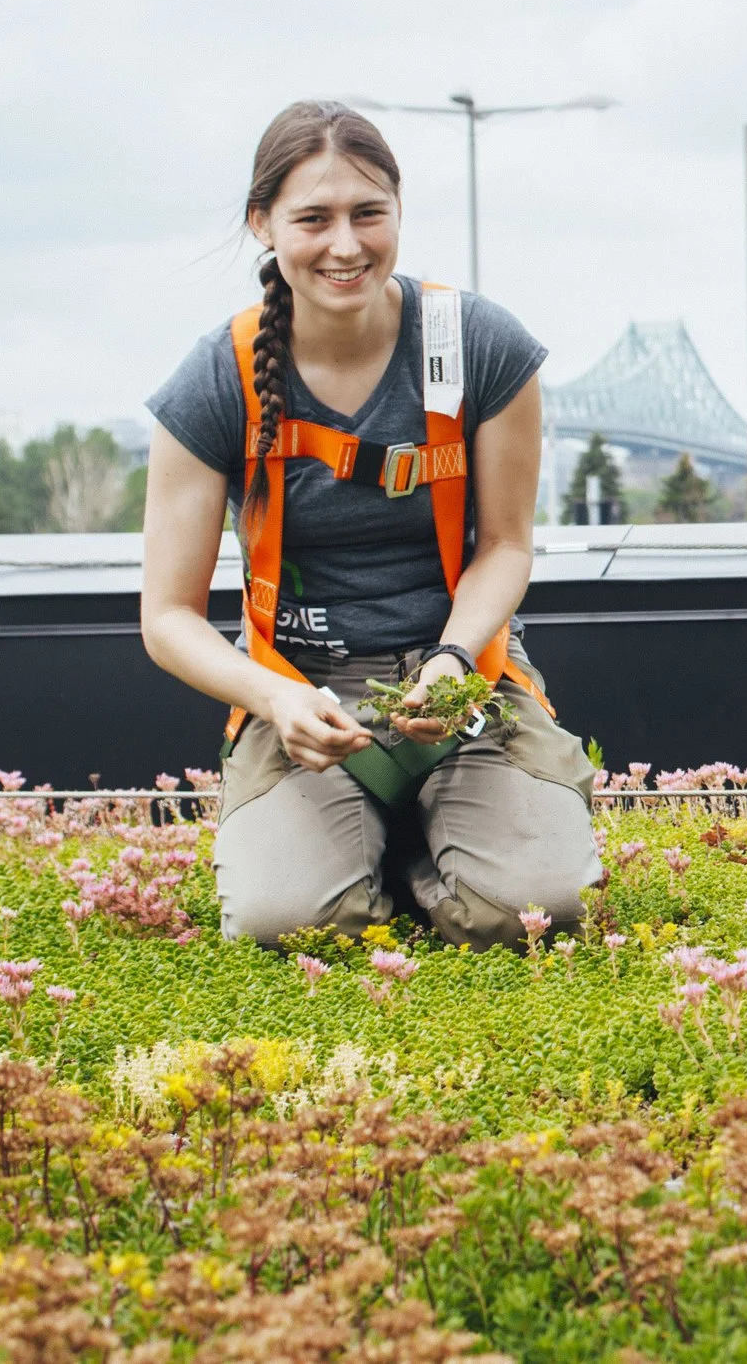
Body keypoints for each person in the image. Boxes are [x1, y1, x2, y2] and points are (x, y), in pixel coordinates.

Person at [139, 100, 600, 950]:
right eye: (312, 219)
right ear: (263, 225)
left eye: (368, 214)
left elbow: (504, 545)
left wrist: (454, 660)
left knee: (540, 912)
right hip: (303, 688)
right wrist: (275, 698)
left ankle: (432, 829)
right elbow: (165, 617)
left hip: (463, 679)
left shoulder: (478, 346)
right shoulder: (218, 379)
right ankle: (378, 842)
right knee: (288, 925)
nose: (345, 245)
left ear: (397, 212)